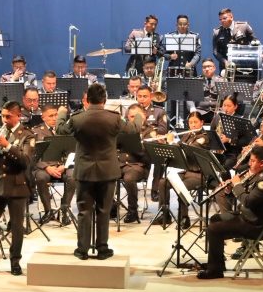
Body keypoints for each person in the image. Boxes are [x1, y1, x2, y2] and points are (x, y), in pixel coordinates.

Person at [57, 83, 140, 259]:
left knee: (84, 211)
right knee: (103, 210)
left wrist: (61, 114)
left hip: (84, 171)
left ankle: (82, 250)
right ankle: (103, 249)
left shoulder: (78, 118)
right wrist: (139, 116)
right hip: (107, 171)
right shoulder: (115, 118)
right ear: (105, 99)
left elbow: (60, 129)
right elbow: (133, 130)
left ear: (87, 99)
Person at [197, 146, 263, 279]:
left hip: (256, 224)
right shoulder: (260, 175)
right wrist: (230, 189)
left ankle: (215, 271)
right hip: (249, 216)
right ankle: (217, 264)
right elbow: (244, 194)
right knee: (215, 219)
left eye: (252, 161)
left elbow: (247, 201)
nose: (249, 164)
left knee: (213, 229)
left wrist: (236, 185)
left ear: (262, 163)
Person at [0, 101, 37, 277]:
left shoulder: (27, 135)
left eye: (8, 116)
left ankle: (15, 262)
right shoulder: (0, 132)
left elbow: (25, 161)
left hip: (17, 184)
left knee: (17, 227)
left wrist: (7, 145)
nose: (4, 120)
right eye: (2, 116)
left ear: (18, 115)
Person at [156, 111, 211, 229]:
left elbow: (190, 149)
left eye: (196, 122)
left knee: (181, 186)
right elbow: (177, 147)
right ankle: (164, 214)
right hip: (187, 172)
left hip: (199, 175)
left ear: (202, 122)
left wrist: (173, 141)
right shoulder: (188, 135)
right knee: (162, 183)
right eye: (191, 123)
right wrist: (165, 142)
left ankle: (184, 218)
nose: (193, 125)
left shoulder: (204, 137)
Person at [32, 104, 76, 226]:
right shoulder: (36, 131)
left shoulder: (64, 130)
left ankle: (65, 208)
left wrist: (64, 166)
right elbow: (34, 155)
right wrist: (47, 167)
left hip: (63, 166)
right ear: (43, 117)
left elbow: (73, 151)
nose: (54, 118)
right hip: (45, 167)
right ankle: (48, 211)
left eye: (56, 115)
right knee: (40, 177)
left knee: (73, 177)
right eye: (51, 116)